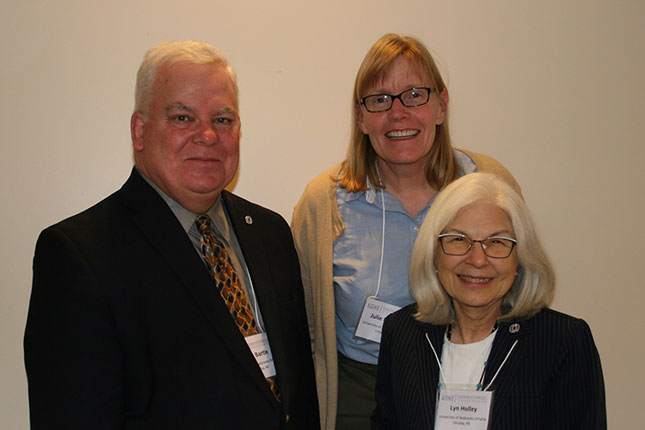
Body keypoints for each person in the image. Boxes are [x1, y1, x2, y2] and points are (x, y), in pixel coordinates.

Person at [24, 40, 319, 429]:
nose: (208, 136)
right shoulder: (79, 255)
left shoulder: (270, 233)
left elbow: (296, 395)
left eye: (223, 119)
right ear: (140, 130)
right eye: (183, 118)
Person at [291, 34, 521, 430]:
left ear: (441, 106)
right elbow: (304, 328)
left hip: (470, 385)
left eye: (414, 94)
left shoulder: (488, 183)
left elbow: (519, 293)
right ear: (360, 117)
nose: (398, 113)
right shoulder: (323, 203)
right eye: (380, 99)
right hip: (360, 391)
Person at [372, 172, 606, 429]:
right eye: (459, 240)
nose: (478, 260)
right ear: (434, 254)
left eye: (497, 242)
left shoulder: (563, 341)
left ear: (520, 259)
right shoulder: (402, 331)